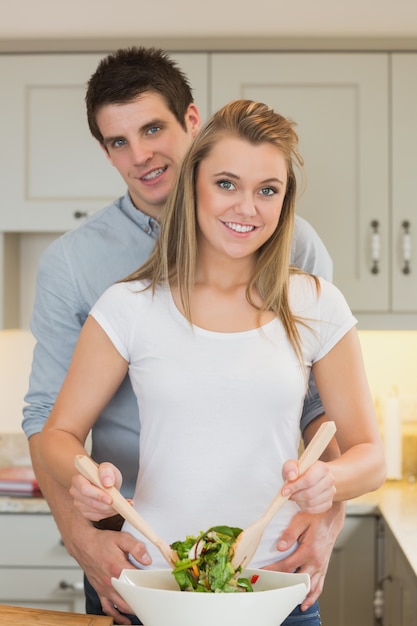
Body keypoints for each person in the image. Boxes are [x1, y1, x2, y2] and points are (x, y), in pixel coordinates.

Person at [22, 47, 343, 625]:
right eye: (118, 142)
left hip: (262, 558)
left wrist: (328, 519)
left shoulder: (291, 245)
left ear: (190, 122)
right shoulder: (77, 266)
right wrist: (83, 540)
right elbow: (49, 421)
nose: (141, 155)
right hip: (135, 554)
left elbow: (325, 412)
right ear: (104, 150)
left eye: (153, 128)